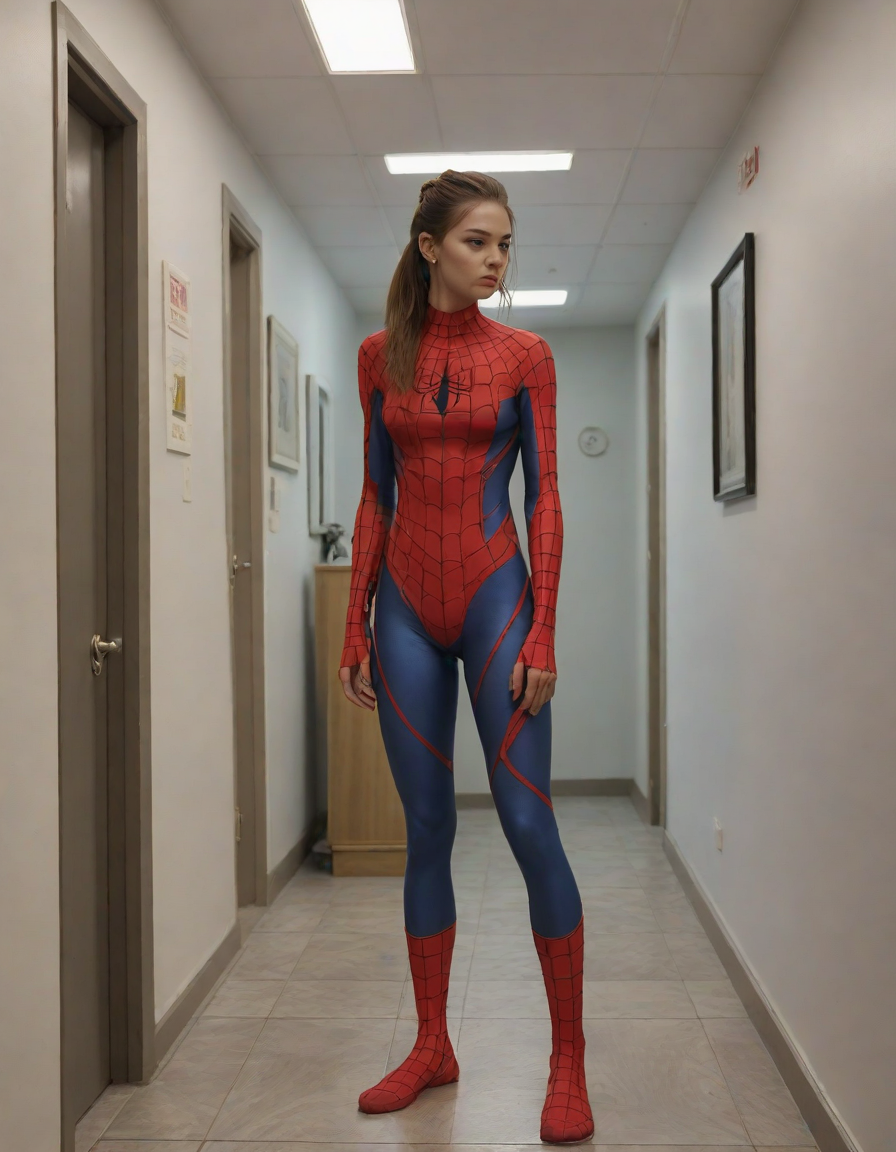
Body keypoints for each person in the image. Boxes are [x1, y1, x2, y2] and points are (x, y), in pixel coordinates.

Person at [338, 169, 593, 1144]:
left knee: (529, 825)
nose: (496, 260)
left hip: (497, 601)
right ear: (428, 246)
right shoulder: (378, 356)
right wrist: (355, 621)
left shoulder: (526, 355)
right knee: (427, 829)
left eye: (504, 244)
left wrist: (544, 628)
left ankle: (566, 1061)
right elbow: (374, 495)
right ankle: (431, 1045)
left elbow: (546, 495)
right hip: (405, 609)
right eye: (477, 242)